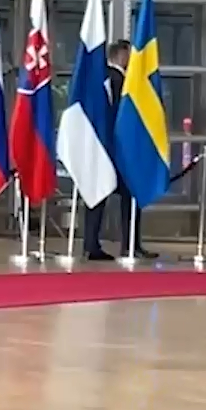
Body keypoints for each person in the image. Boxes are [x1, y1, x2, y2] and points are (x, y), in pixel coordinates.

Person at [84, 38, 158, 261]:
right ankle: (130, 244)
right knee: (130, 194)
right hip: (117, 149)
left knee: (98, 196)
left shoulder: (100, 77)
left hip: (101, 147)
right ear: (121, 55)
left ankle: (92, 243)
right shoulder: (118, 80)